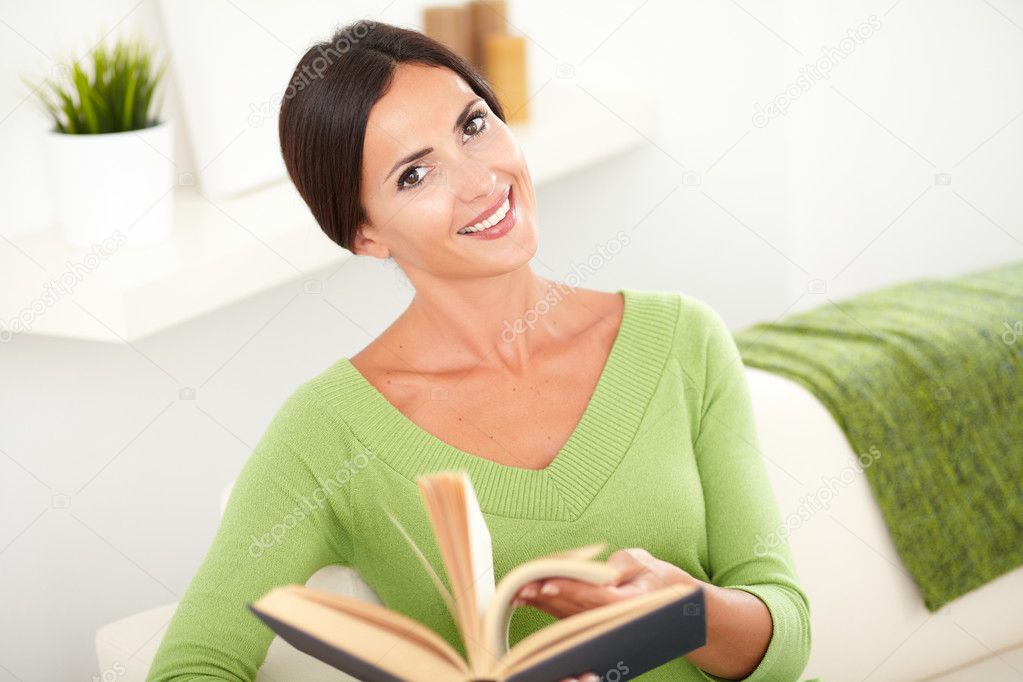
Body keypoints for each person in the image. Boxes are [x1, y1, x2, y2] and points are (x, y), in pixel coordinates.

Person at [147, 20, 811, 682]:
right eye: (414, 175)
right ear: (364, 234)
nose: (478, 182)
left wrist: (682, 612)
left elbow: (784, 631)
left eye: (472, 125)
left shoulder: (680, 339)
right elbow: (192, 665)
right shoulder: (328, 432)